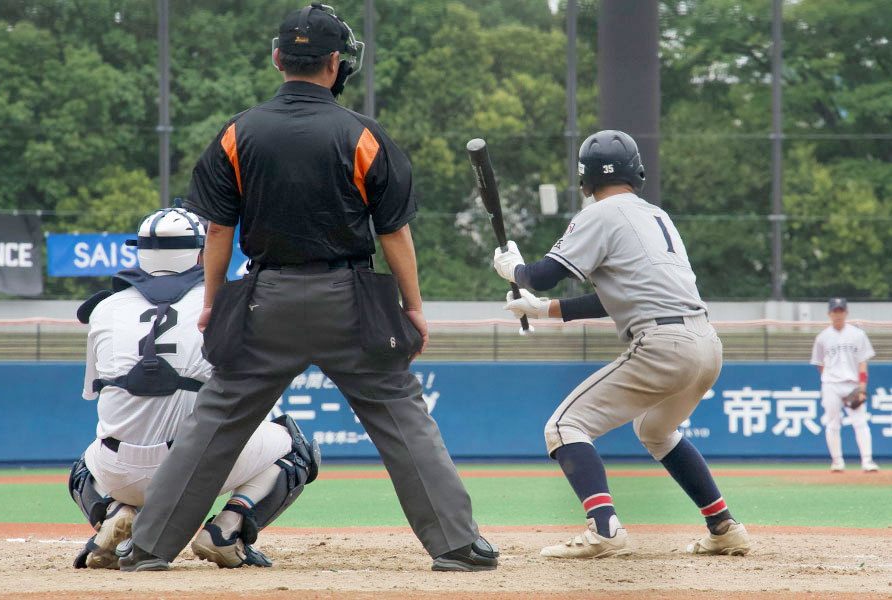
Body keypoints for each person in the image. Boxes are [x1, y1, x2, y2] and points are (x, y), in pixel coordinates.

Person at [116, 3, 497, 573]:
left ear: (278, 59)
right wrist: (413, 308)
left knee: (214, 424)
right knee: (401, 415)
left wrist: (215, 303)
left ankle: (148, 548)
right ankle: (457, 547)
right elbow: (394, 233)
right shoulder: (364, 135)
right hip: (352, 303)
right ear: (336, 64)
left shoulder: (236, 134)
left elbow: (219, 229)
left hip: (265, 300)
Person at [491, 130, 750, 558]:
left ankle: (605, 530)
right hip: (706, 343)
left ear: (584, 179)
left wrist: (515, 270)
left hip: (664, 345)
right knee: (656, 430)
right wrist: (545, 310)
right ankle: (724, 527)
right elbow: (619, 296)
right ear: (637, 172)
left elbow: (539, 275)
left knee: (563, 427)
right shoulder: (656, 216)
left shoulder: (598, 214)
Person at [70, 206, 317, 570]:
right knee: (295, 446)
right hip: (188, 472)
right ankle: (227, 530)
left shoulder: (104, 309)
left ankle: (115, 512)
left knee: (84, 464)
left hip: (116, 471)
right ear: (201, 252)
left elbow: (98, 392)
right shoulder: (225, 305)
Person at [810, 297, 878, 472]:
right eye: (835, 311)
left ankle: (867, 461)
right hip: (831, 384)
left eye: (841, 311)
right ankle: (837, 461)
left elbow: (862, 361)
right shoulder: (822, 337)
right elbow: (820, 363)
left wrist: (862, 386)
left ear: (846, 313)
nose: (838, 314)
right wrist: (829, 378)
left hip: (852, 384)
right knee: (832, 423)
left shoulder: (857, 334)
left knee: (860, 422)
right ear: (829, 314)